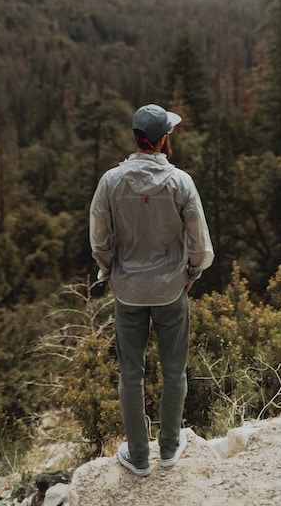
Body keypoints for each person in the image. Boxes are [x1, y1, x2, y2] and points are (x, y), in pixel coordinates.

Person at [89, 103, 214, 477]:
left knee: (131, 372)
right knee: (174, 370)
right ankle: (171, 447)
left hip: (127, 291)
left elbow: (99, 238)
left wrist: (108, 269)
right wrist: (191, 273)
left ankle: (139, 458)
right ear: (162, 140)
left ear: (136, 138)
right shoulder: (181, 183)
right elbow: (201, 243)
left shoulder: (110, 181)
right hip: (172, 290)